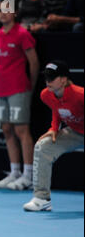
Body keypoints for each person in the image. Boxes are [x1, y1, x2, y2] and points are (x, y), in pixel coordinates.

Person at [23, 60, 83, 211]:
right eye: (46, 77)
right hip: (75, 133)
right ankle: (41, 199)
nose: (47, 81)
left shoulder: (80, 95)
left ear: (63, 80)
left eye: (52, 78)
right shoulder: (46, 95)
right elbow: (56, 108)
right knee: (43, 147)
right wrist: (54, 128)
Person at [0, 5, 40, 191]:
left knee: (22, 131)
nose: (2, 14)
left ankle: (29, 175)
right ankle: (15, 172)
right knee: (6, 129)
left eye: (7, 10)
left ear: (15, 13)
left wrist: (30, 86)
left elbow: (34, 63)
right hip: (0, 88)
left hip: (19, 87)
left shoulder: (22, 34)